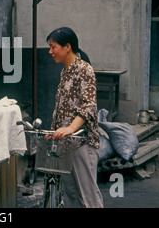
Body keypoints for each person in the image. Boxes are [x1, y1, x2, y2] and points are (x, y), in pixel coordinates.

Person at [46, 27, 103, 208]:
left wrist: (71, 128)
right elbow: (63, 107)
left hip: (81, 142)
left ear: (67, 46)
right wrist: (54, 131)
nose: (50, 51)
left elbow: (89, 106)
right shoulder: (66, 71)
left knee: (88, 198)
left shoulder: (84, 69)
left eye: (53, 47)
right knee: (71, 197)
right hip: (65, 143)